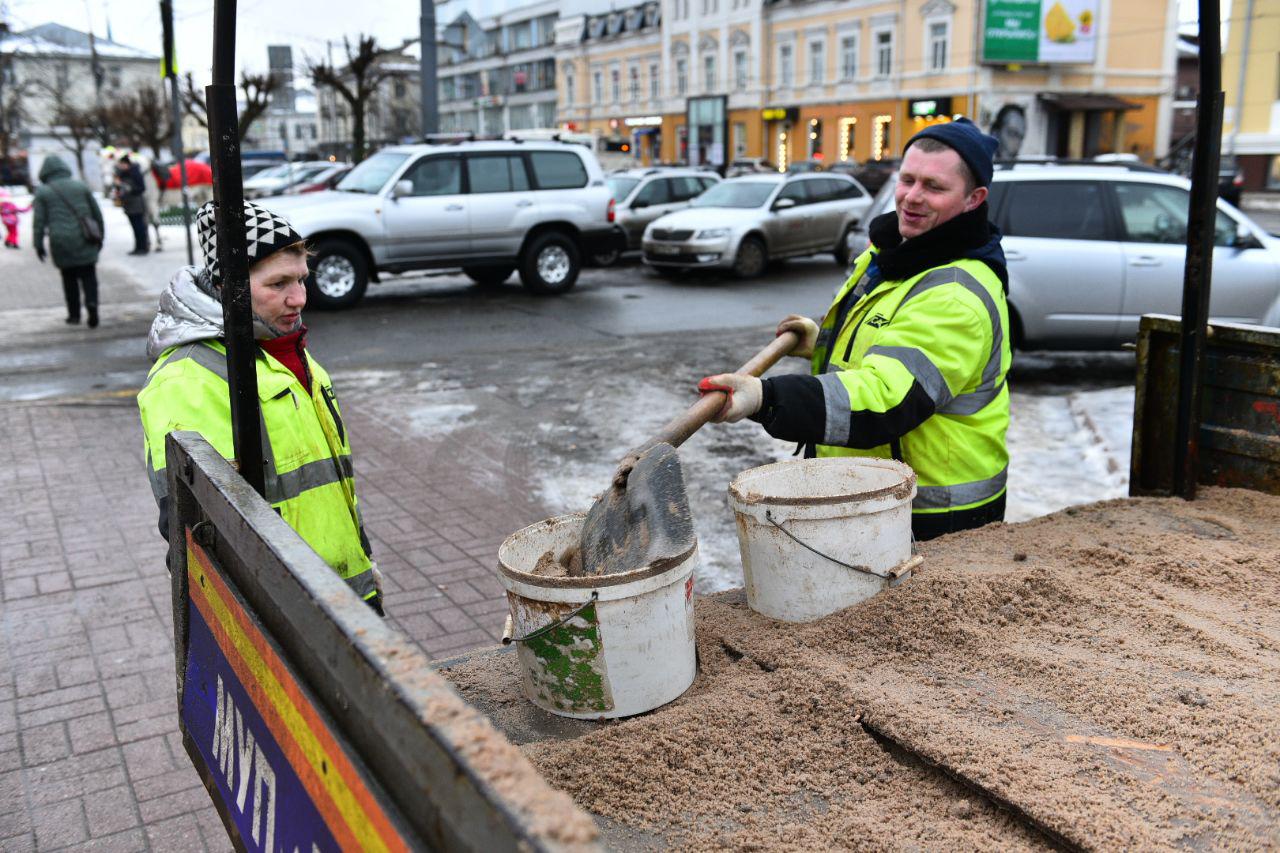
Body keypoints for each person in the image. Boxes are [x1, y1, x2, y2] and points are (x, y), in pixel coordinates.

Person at [699, 117, 1011, 541]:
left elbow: (886, 400)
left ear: (974, 199)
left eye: (934, 187)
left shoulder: (956, 295)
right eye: (907, 180)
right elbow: (887, 339)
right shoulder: (895, 254)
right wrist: (821, 341)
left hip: (938, 511)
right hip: (882, 490)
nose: (911, 198)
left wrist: (767, 397)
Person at [136, 200, 384, 614]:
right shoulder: (187, 379)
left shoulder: (285, 353)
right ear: (227, 287)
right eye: (278, 284)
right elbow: (197, 523)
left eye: (303, 279)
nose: (299, 298)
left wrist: (363, 558)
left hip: (346, 595)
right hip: (284, 615)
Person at [31, 154, 105, 328]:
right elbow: (97, 214)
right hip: (85, 237)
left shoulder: (43, 191)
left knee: (68, 277)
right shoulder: (80, 186)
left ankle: (74, 315)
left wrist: (38, 244)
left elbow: (39, 222)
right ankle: (92, 304)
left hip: (60, 240)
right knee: (89, 275)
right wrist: (101, 235)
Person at [115, 154, 150, 255]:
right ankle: (137, 248)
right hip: (128, 204)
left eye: (122, 164)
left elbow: (141, 188)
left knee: (140, 227)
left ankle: (143, 248)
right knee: (134, 228)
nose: (121, 166)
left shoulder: (135, 173)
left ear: (127, 164)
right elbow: (121, 189)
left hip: (136, 204)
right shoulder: (122, 174)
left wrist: (122, 185)